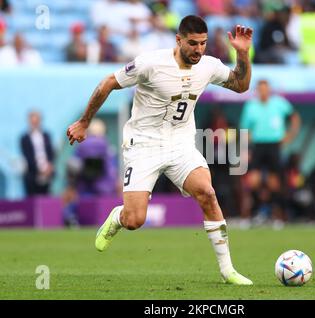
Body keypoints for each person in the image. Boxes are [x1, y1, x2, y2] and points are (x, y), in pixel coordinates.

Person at [67, 15, 253, 285]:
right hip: (143, 145)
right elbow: (108, 82)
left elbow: (241, 85)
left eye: (203, 43)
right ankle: (117, 217)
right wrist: (84, 122)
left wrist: (243, 54)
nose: (198, 50)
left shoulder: (208, 66)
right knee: (135, 219)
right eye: (192, 43)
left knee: (208, 194)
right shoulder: (150, 63)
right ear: (178, 40)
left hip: (180, 144)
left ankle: (228, 271)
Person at [239, 79, 300, 228]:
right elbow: (244, 128)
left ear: (269, 90)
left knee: (275, 183)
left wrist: (289, 136)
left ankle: (276, 216)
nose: (263, 92)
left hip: (274, 146)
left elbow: (295, 118)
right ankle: (253, 214)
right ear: (257, 91)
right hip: (258, 146)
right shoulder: (251, 106)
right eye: (260, 89)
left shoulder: (279, 103)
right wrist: (246, 147)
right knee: (253, 181)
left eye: (265, 89)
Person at [20, 111, 55, 196]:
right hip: (33, 173)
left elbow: (50, 152)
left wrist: (48, 166)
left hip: (47, 172)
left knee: (46, 197)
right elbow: (28, 156)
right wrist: (39, 169)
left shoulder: (46, 135)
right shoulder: (24, 138)